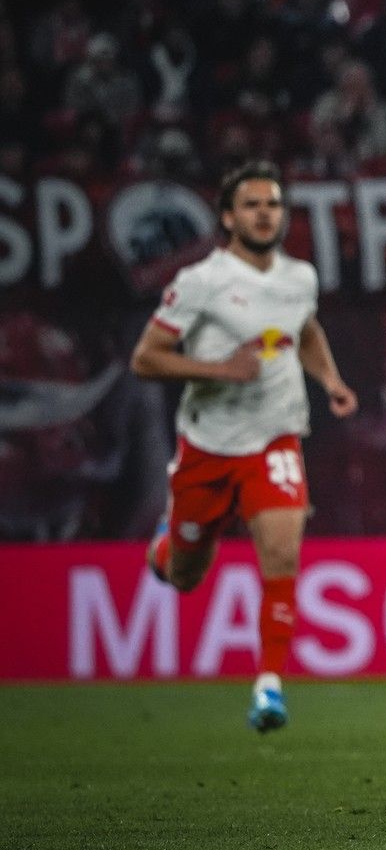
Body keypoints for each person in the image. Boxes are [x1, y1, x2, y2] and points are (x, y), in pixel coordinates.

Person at [132, 161, 359, 733]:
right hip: (208, 445)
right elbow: (146, 357)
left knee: (282, 554)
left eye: (274, 204)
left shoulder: (299, 277)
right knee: (185, 575)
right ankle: (166, 547)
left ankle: (269, 687)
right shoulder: (201, 281)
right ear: (229, 218)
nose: (265, 214)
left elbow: (304, 330)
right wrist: (217, 369)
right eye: (253, 205)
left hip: (275, 437)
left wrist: (329, 380)